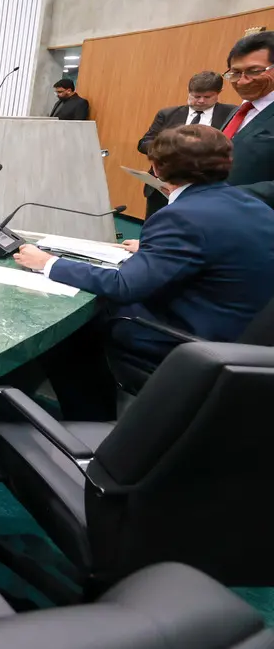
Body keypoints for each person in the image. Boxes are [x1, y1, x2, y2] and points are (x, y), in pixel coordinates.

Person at [14, 125, 274, 394]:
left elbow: (125, 286)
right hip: (244, 337)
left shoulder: (181, 217)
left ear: (157, 169)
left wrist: (48, 263)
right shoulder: (254, 205)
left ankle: (80, 412)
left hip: (190, 339)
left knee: (73, 328)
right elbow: (218, 248)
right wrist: (156, 248)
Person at [137, 71, 236, 219]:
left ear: (219, 93)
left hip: (205, 188)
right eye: (196, 96)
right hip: (163, 186)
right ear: (189, 92)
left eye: (207, 97)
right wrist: (169, 151)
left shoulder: (232, 114)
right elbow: (144, 143)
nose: (201, 101)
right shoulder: (167, 114)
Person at [221, 31, 274, 207]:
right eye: (235, 73)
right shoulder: (239, 111)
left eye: (254, 71)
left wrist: (221, 196)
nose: (242, 81)